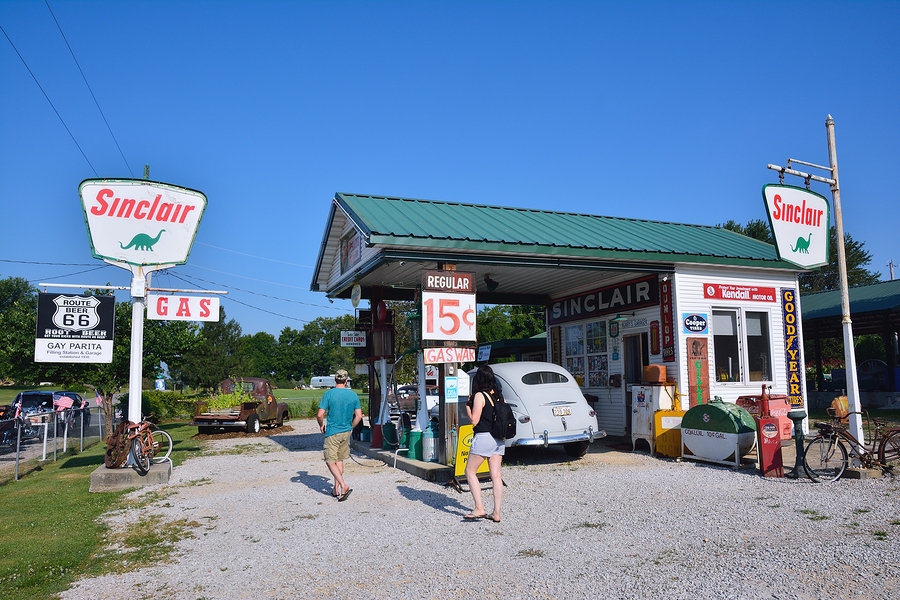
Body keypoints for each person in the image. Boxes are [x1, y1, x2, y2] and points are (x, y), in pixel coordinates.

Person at [463, 364, 504, 523]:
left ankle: (479, 508)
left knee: (470, 472)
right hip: (499, 439)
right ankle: (496, 513)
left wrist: (467, 406)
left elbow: (474, 420)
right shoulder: (499, 395)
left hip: (484, 437)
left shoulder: (480, 396)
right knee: (496, 476)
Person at [316, 369, 362, 502]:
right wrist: (351, 427)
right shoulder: (353, 395)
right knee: (340, 460)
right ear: (347, 381)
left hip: (332, 432)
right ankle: (335, 489)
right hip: (346, 432)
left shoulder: (329, 394)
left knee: (330, 461)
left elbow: (320, 414)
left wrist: (321, 424)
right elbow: (359, 416)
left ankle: (343, 485)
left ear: (334, 380)